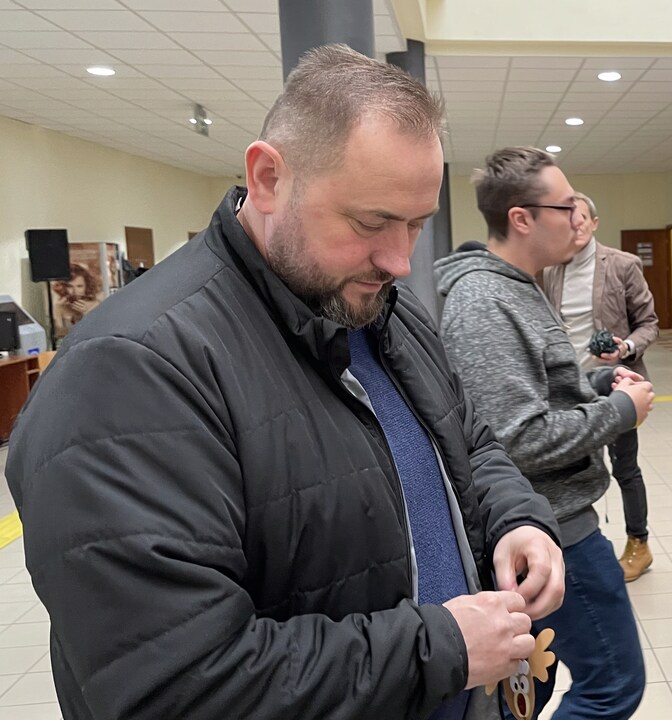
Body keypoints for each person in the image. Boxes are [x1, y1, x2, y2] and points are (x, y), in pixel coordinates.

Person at [6, 45, 565, 720]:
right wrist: (437, 647)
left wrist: (515, 519)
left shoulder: (382, 305)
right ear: (268, 177)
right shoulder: (129, 371)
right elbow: (172, 687)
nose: (400, 260)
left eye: (416, 225)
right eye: (371, 222)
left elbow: (467, 440)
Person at [435, 147, 653, 720]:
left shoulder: (518, 285)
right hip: (553, 531)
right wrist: (620, 412)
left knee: (527, 693)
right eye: (566, 206)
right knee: (611, 686)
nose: (578, 218)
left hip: (554, 524)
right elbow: (515, 439)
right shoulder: (485, 300)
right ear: (522, 218)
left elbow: (534, 387)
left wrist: (600, 380)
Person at [540, 192, 661, 582]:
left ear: (594, 223)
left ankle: (638, 544)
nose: (572, 226)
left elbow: (650, 323)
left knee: (625, 468)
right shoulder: (549, 267)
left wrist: (626, 347)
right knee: (567, 468)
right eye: (566, 218)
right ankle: (577, 546)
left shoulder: (622, 264)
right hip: (567, 389)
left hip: (616, 384)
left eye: (580, 219)